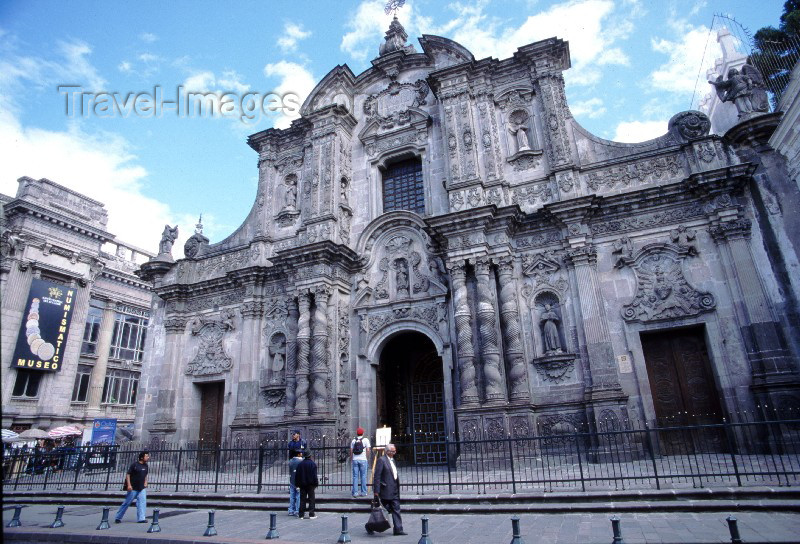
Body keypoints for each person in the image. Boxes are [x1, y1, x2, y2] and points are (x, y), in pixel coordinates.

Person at [371, 443, 406, 536]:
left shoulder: (392, 460)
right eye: (393, 451)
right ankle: (370, 526)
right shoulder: (381, 460)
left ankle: (398, 529)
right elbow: (377, 476)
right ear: (387, 451)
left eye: (395, 451)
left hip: (394, 489)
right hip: (385, 490)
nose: (395, 452)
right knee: (382, 511)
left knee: (396, 508)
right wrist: (376, 492)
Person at [115, 450, 149, 523]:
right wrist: (129, 485)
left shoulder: (145, 465)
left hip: (141, 487)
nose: (148, 457)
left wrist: (145, 482)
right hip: (133, 487)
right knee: (127, 502)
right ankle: (118, 517)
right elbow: (128, 474)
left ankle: (141, 518)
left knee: (142, 502)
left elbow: (145, 474)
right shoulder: (134, 465)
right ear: (142, 457)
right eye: (146, 456)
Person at [295, 451, 319, 519]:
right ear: (310, 456)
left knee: (302, 499)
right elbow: (314, 476)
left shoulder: (300, 464)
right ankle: (311, 514)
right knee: (311, 499)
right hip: (311, 484)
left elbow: (297, 475)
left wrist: (297, 484)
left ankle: (301, 514)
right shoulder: (312, 464)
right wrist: (316, 483)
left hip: (302, 484)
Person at [350, 427, 371, 497]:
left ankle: (355, 492)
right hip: (363, 459)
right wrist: (367, 458)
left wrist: (351, 458)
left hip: (355, 460)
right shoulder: (366, 440)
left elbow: (351, 451)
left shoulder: (353, 441)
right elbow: (368, 450)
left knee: (355, 476)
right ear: (363, 433)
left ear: (357, 433)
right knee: (363, 476)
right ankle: (363, 492)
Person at [287, 449, 303, 517]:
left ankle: (291, 510)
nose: (302, 454)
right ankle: (297, 510)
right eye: (301, 453)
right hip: (299, 481)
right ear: (298, 454)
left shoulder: (290, 461)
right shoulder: (301, 461)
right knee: (298, 496)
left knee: (292, 496)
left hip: (292, 480)